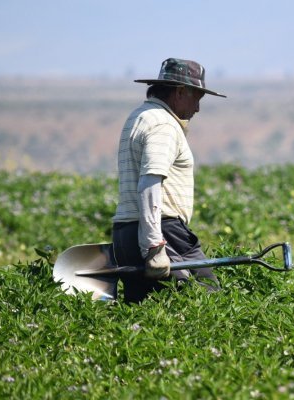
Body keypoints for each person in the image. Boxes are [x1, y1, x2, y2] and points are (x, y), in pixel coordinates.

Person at [112, 58, 226, 303]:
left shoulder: (139, 116)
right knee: (207, 299)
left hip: (126, 232)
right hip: (162, 230)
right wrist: (154, 246)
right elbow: (150, 181)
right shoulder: (163, 124)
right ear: (180, 92)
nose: (197, 108)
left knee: (144, 309)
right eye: (197, 98)